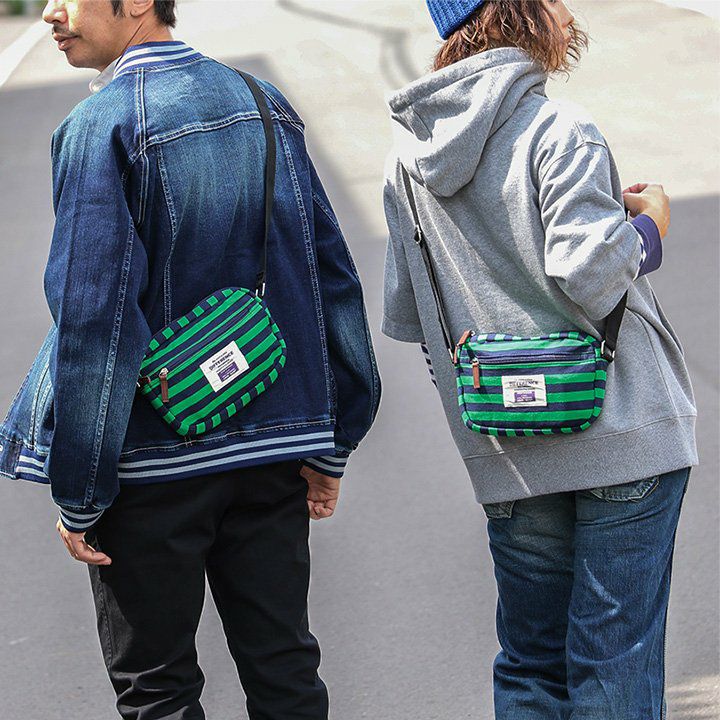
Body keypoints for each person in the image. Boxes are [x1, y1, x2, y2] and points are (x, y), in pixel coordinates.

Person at [0, 1, 380, 718]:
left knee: (159, 690)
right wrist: (334, 439)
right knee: (285, 670)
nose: (50, 11)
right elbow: (329, 275)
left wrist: (80, 487)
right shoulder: (263, 104)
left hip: (149, 467)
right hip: (271, 449)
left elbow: (94, 319)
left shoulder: (102, 126)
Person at [382, 1, 697, 718]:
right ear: (514, 11)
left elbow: (410, 313)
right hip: (620, 434)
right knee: (613, 664)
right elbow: (591, 273)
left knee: (531, 666)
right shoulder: (561, 131)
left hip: (509, 447)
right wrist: (648, 226)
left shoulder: (408, 160)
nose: (566, 12)